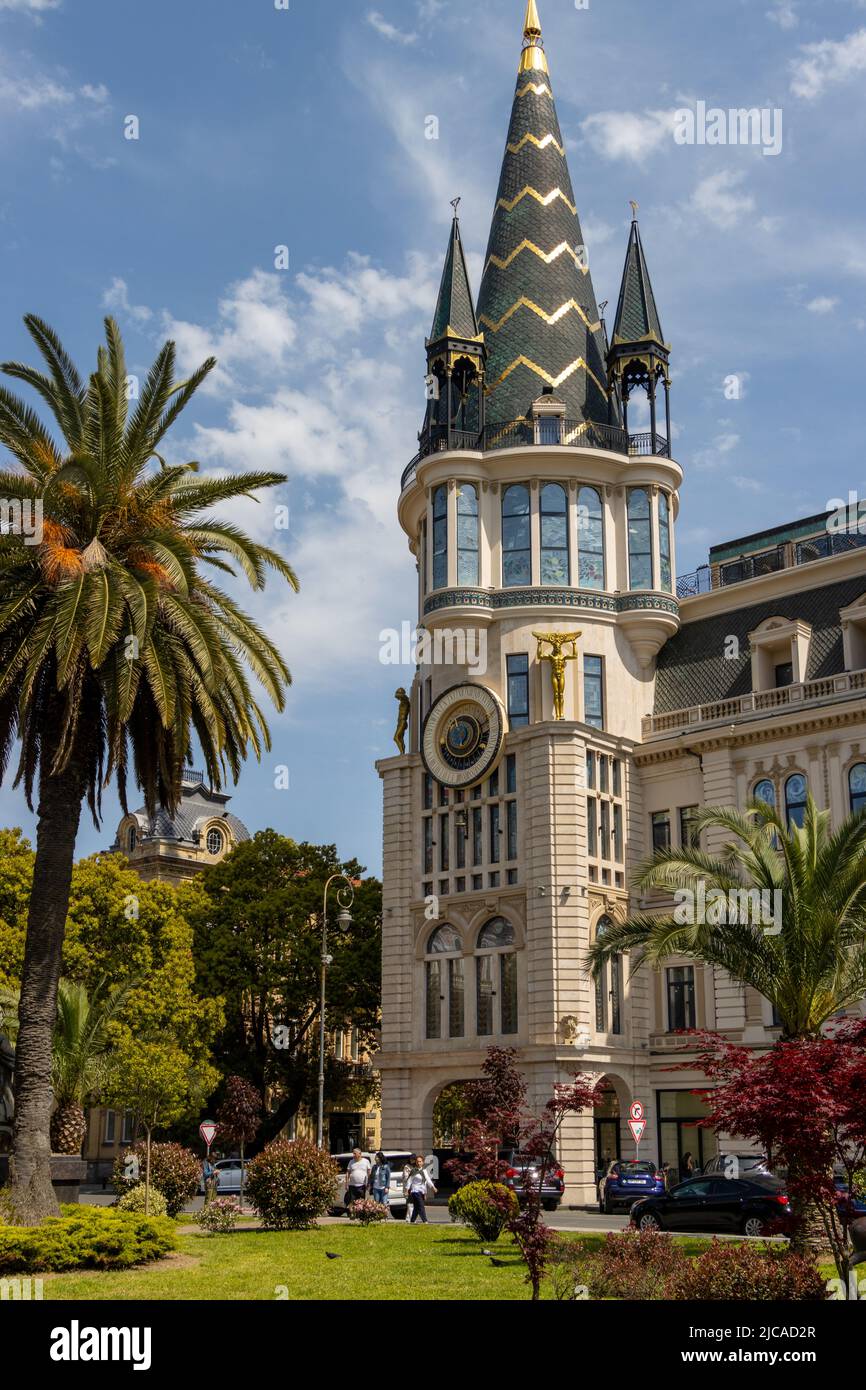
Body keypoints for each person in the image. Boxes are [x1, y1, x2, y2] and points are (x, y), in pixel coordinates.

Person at [405, 1154, 436, 1224]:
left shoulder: (424, 1171)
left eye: (420, 1161)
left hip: (421, 1191)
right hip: (415, 1191)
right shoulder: (413, 1171)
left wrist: (433, 1187)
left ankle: (412, 1220)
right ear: (416, 1162)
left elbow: (428, 1180)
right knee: (421, 1205)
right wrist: (407, 1190)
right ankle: (425, 1221)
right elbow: (409, 1181)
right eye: (417, 1161)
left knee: (416, 1207)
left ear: (423, 1162)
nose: (419, 1163)